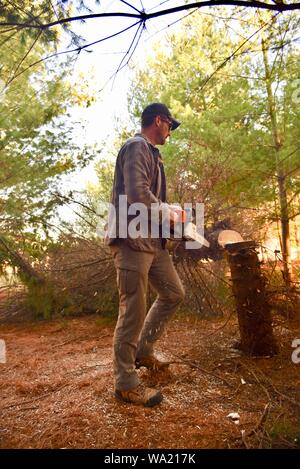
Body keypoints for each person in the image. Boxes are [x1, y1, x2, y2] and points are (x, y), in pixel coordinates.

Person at [106, 103, 185, 407]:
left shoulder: (153, 154)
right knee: (132, 311)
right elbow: (138, 195)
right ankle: (125, 383)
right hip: (132, 242)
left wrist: (171, 215)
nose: (170, 132)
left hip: (152, 243)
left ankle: (143, 349)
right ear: (158, 120)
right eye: (170, 126)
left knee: (173, 293)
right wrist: (169, 211)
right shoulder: (137, 147)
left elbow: (149, 199)